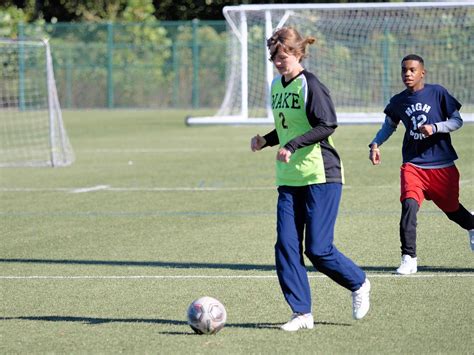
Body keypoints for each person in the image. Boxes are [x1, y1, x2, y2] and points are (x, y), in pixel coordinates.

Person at [250, 27, 370, 332]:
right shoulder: (277, 86)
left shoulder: (310, 84)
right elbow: (288, 126)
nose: (278, 61)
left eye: (284, 55)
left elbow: (327, 124)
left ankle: (359, 282)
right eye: (275, 56)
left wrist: (291, 145)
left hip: (322, 175)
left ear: (298, 53)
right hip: (289, 178)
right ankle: (301, 313)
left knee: (318, 249)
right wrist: (266, 140)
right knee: (287, 245)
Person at [369, 54, 474, 275]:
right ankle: (409, 258)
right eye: (404, 70)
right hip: (413, 165)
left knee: (453, 210)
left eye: (412, 70)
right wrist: (376, 143)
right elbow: (389, 126)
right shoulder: (398, 101)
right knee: (409, 205)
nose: (407, 74)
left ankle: (472, 224)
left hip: (442, 166)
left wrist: (436, 127)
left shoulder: (438, 93)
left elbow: (457, 121)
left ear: (422, 73)